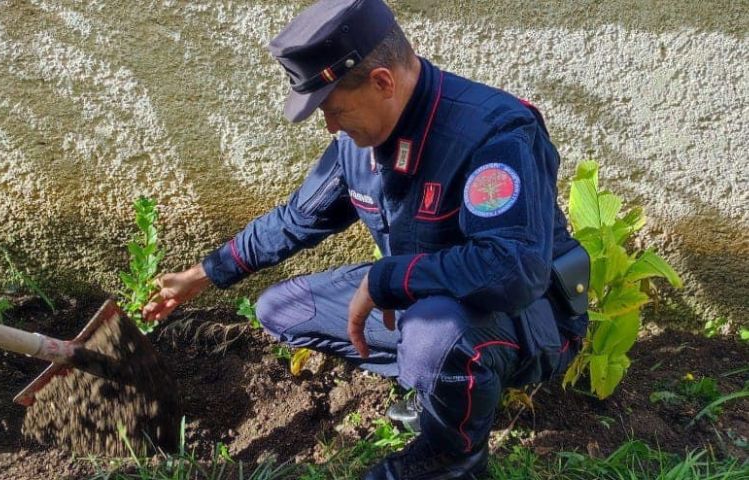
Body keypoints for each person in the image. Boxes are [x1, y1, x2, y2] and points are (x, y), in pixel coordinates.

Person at [143, 0, 590, 478]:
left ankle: (453, 457)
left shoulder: (494, 133)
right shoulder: (359, 146)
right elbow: (297, 219)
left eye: (334, 110)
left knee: (433, 336)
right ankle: (446, 384)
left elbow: (513, 272)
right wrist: (203, 274)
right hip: (425, 301)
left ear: (382, 82)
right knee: (279, 309)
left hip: (530, 318)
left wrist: (391, 278)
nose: (330, 126)